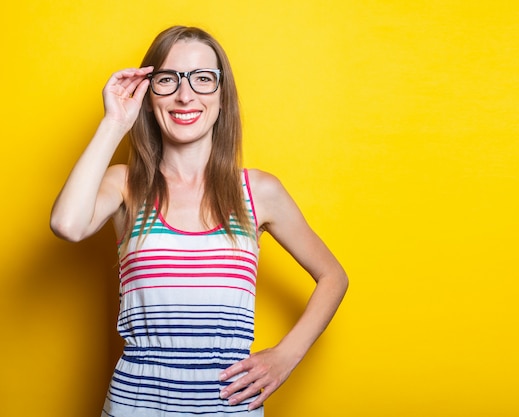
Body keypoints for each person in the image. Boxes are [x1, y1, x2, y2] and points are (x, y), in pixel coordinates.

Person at [50, 25, 348, 416]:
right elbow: (67, 225)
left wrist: (286, 357)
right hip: (134, 407)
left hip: (230, 408)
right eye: (168, 80)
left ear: (222, 97)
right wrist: (116, 122)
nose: (184, 95)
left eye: (203, 79)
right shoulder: (125, 184)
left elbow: (333, 276)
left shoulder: (258, 191)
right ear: (147, 93)